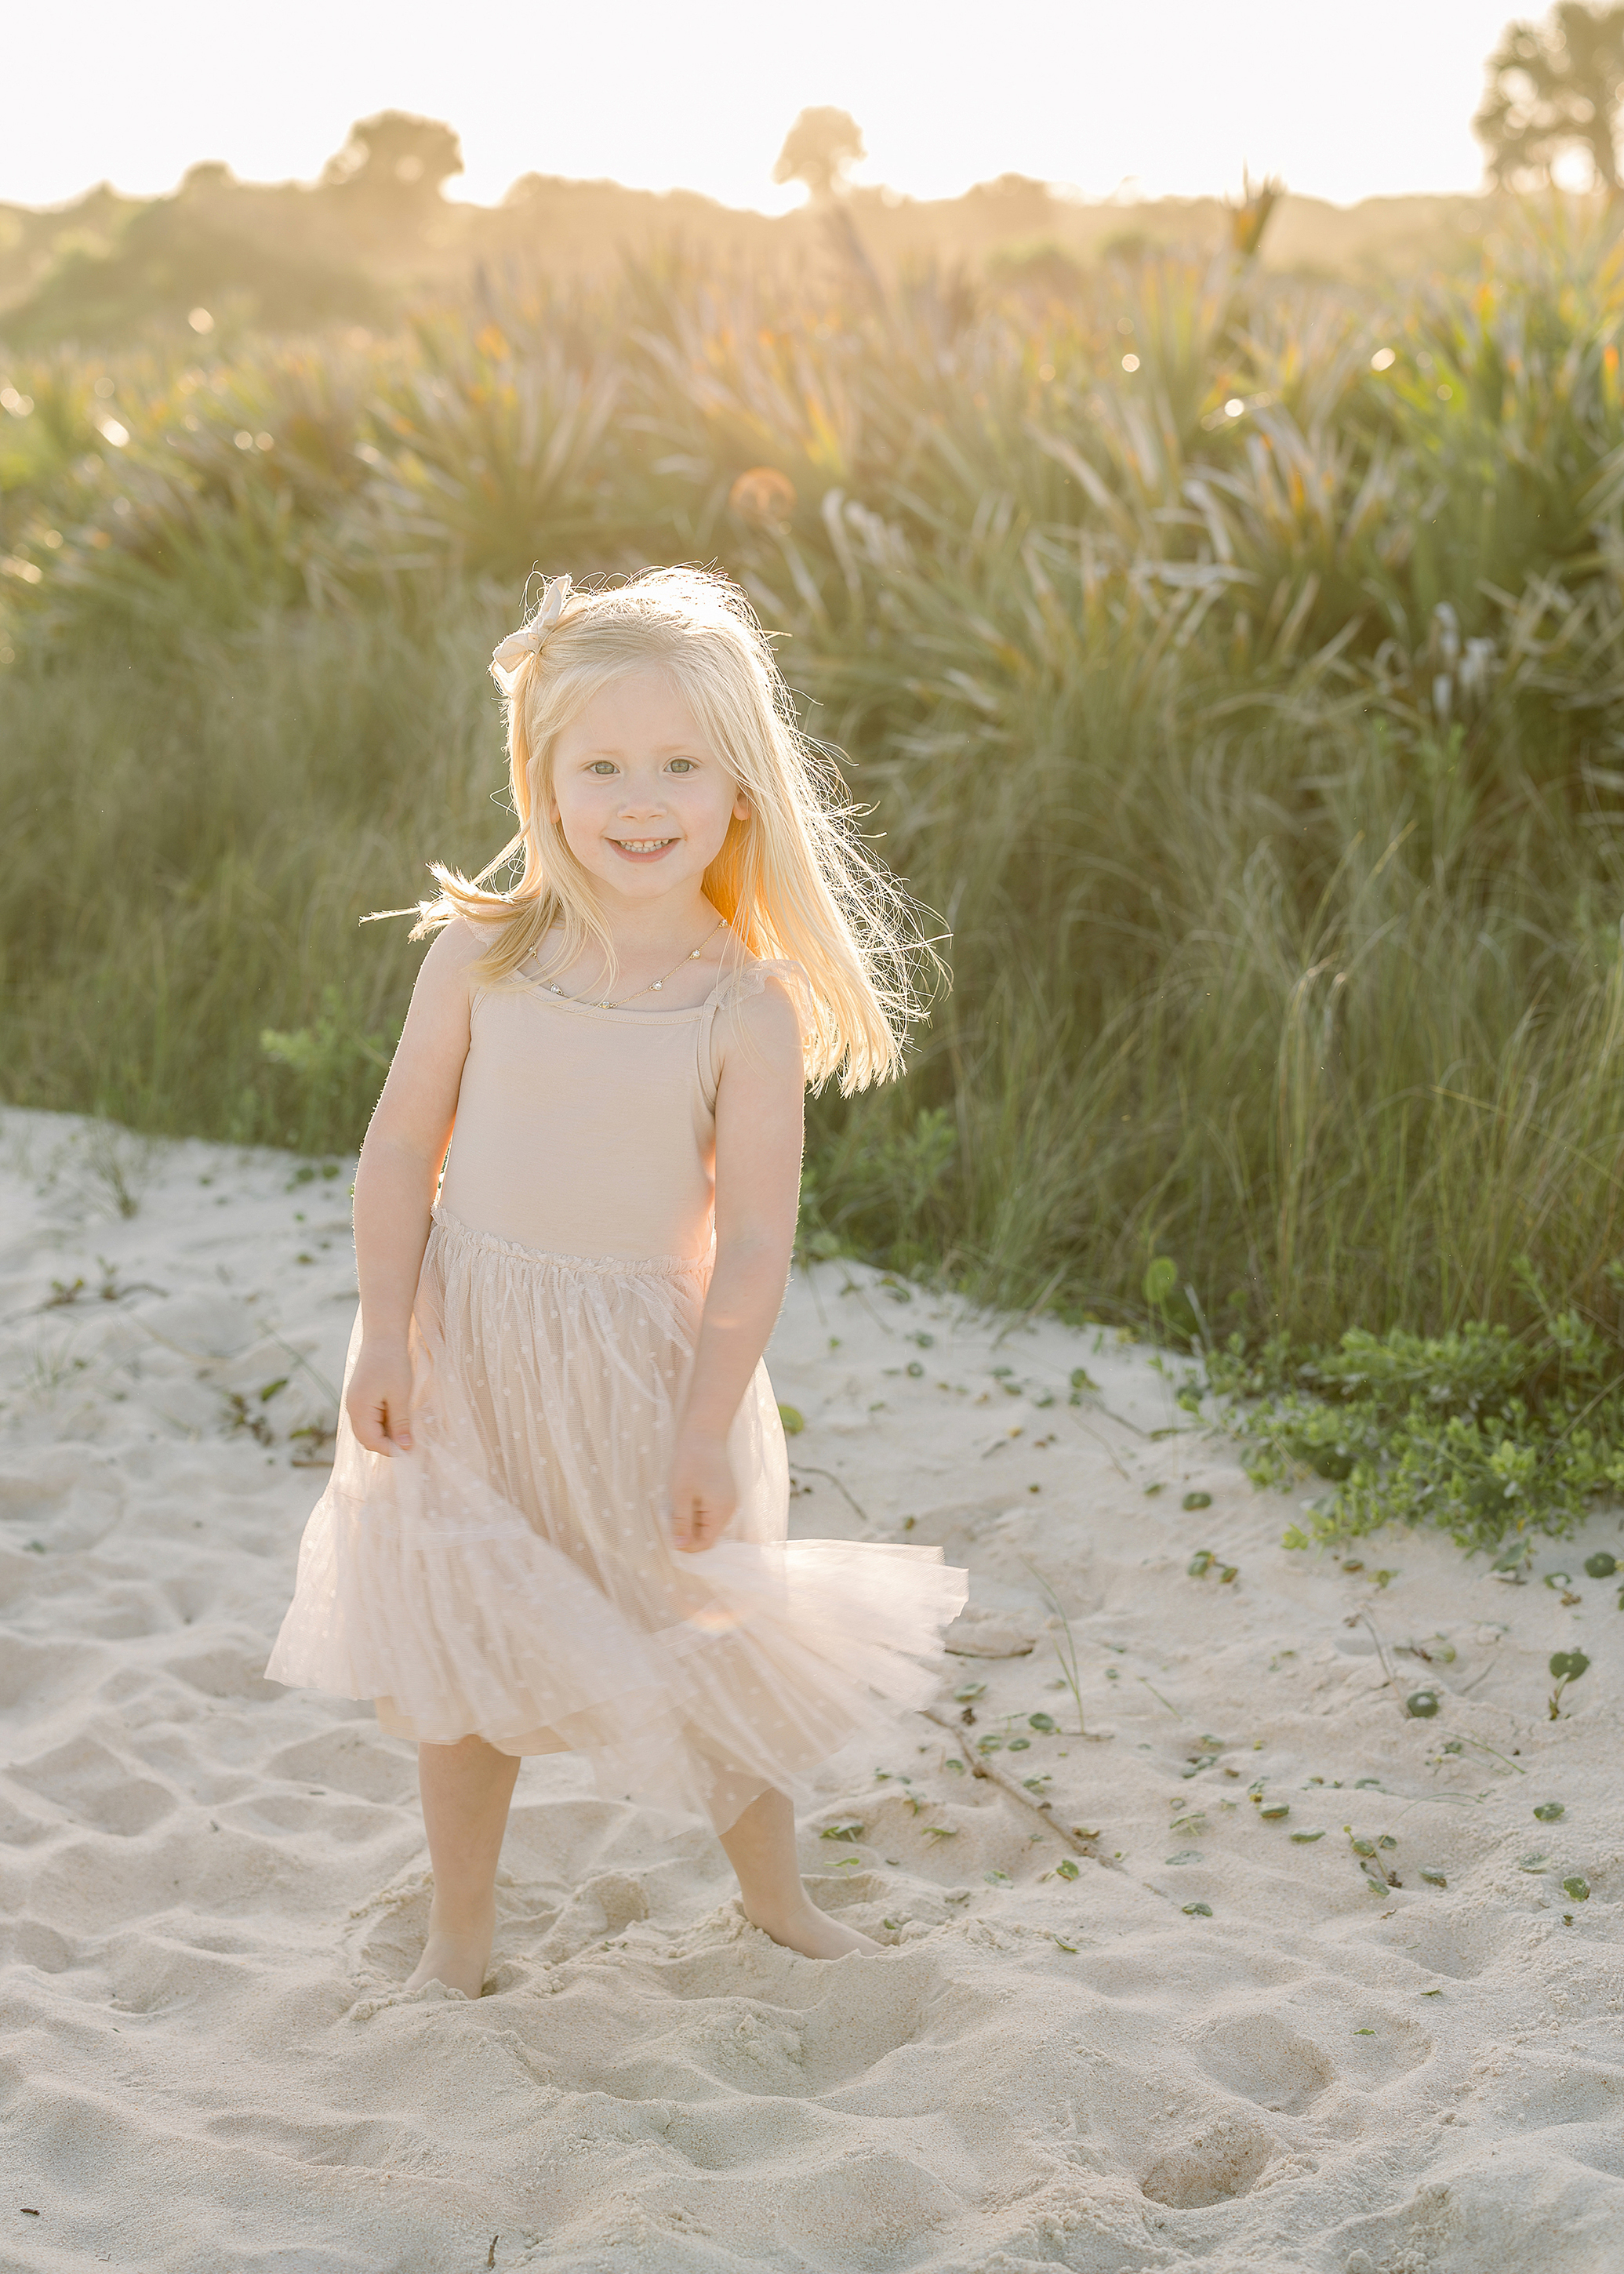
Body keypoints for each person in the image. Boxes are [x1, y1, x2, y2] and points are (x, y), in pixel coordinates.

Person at [265, 567, 968, 1999]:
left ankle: (777, 1902)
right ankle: (461, 1934)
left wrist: (708, 1419)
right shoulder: (484, 955)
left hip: (647, 1379)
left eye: (679, 765)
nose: (640, 800)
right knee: (461, 1651)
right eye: (602, 764)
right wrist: (383, 1337)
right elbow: (400, 1151)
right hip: (472, 1352)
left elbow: (756, 1240)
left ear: (738, 789)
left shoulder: (742, 1005)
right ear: (542, 775)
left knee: (708, 1646)